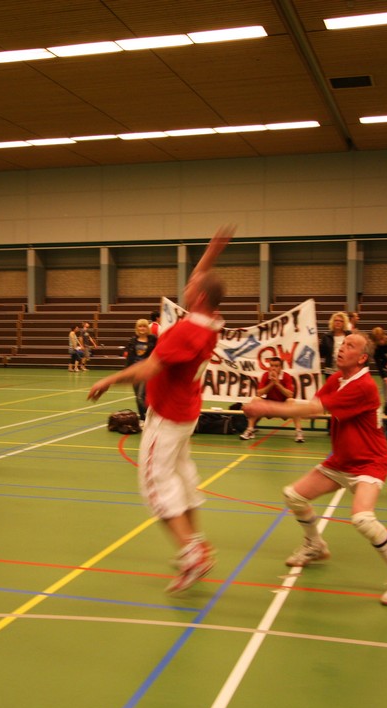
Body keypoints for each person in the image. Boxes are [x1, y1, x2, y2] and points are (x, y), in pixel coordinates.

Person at [88, 224, 235, 594]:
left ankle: (191, 554)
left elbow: (147, 370)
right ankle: (196, 543)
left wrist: (108, 380)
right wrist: (212, 251)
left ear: (199, 296)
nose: (187, 284)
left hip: (167, 416)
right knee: (183, 479)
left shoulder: (186, 332)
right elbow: (203, 278)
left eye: (192, 284)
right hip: (187, 414)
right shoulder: (210, 320)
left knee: (154, 485)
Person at [243, 333, 387, 605]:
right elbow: (313, 409)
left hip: (369, 463)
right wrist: (274, 404)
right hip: (340, 460)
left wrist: (265, 406)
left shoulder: (363, 386)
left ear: (362, 358)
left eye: (350, 346)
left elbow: (314, 407)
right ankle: (315, 545)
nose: (342, 348)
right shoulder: (336, 379)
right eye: (342, 344)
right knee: (293, 496)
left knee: (363, 519)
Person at [240, 356, 305, 442]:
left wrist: (277, 384)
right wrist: (271, 383)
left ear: (281, 367)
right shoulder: (266, 375)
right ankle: (250, 430)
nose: (273, 368)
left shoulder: (286, 376)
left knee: (292, 401)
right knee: (256, 400)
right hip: (269, 406)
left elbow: (290, 394)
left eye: (276, 366)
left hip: (282, 407)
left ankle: (299, 432)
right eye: (271, 366)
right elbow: (259, 393)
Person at [121, 318, 158, 422]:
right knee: (137, 395)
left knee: (141, 397)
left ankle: (151, 417)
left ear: (147, 328)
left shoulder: (153, 339)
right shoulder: (133, 340)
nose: (142, 328)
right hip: (135, 372)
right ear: (137, 328)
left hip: (146, 372)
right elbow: (129, 357)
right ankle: (143, 418)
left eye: (144, 326)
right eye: (140, 326)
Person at [318, 311, 352, 376]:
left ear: (344, 323)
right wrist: (317, 345)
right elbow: (322, 354)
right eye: (336, 320)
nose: (338, 322)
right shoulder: (326, 336)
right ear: (332, 322)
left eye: (341, 321)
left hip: (346, 369)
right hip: (330, 370)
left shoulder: (349, 335)